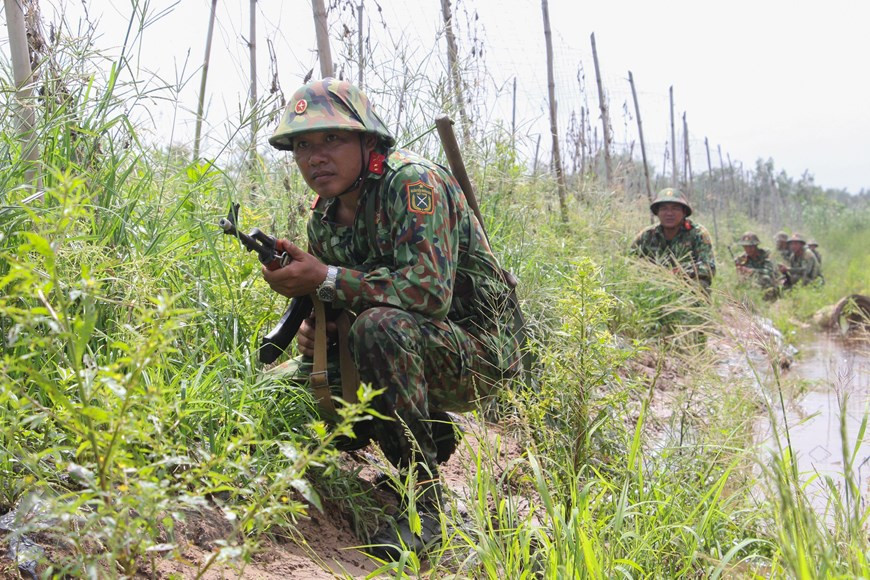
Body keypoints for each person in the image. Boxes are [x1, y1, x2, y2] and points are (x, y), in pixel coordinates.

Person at [261, 78, 523, 559]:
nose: (316, 157)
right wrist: (317, 323)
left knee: (379, 328)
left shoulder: (412, 183)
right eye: (302, 146)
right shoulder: (322, 217)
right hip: (417, 346)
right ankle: (430, 434)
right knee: (304, 376)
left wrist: (328, 277)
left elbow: (427, 293)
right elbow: (343, 297)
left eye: (332, 139)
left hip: (483, 352)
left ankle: (428, 506)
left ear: (368, 141)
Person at [630, 188, 716, 291]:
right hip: (653, 289)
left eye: (675, 209)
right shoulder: (646, 236)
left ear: (684, 212)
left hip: (685, 287)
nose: (669, 213)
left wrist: (681, 272)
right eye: (664, 209)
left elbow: (708, 268)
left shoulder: (698, 233)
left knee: (700, 284)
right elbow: (630, 263)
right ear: (657, 212)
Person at [733, 231, 779, 299]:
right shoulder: (742, 258)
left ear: (756, 246)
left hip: (769, 282)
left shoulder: (766, 254)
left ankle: (769, 300)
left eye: (751, 247)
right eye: (746, 247)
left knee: (765, 278)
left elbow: (770, 271)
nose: (748, 249)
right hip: (752, 285)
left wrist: (751, 271)